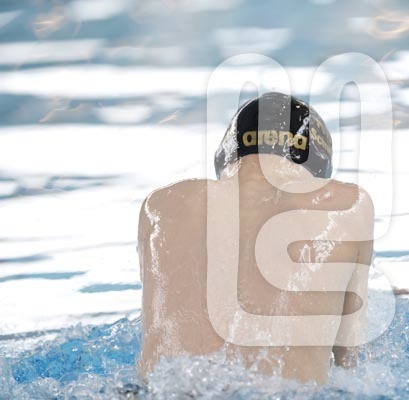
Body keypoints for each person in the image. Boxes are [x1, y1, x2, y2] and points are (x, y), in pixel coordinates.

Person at [137, 92, 374, 384]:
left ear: (226, 157)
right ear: (318, 170)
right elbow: (349, 361)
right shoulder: (348, 204)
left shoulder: (160, 205)